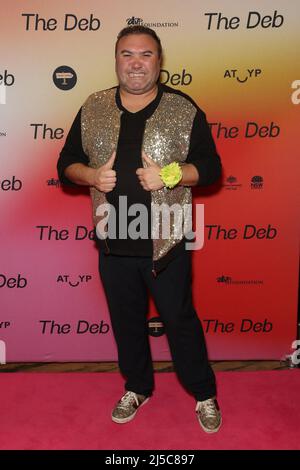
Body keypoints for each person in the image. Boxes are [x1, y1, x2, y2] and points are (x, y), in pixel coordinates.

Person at [57, 25, 222, 433]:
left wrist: (169, 175)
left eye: (145, 54)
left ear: (159, 62)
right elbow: (66, 166)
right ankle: (137, 388)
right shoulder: (93, 106)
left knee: (180, 320)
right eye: (127, 54)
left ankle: (204, 394)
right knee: (125, 322)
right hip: (113, 242)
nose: (135, 63)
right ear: (116, 60)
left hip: (166, 242)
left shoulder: (183, 109)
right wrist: (92, 176)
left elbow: (212, 169)